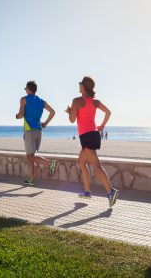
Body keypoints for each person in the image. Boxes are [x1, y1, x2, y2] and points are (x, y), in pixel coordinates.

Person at [66, 76, 119, 207]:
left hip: (87, 136)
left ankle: (111, 191)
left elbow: (72, 120)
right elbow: (108, 112)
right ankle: (87, 191)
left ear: (84, 86)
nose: (78, 86)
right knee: (81, 162)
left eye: (80, 84)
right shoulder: (95, 102)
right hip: (94, 134)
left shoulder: (76, 101)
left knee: (96, 166)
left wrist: (70, 112)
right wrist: (102, 126)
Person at [16, 81, 58, 185]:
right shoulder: (41, 101)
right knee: (31, 156)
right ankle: (31, 179)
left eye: (26, 88)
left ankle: (50, 163)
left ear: (28, 89)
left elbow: (21, 114)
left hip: (29, 130)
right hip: (39, 131)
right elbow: (53, 112)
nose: (25, 90)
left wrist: (17, 116)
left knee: (30, 157)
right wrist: (45, 123)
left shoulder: (24, 99)